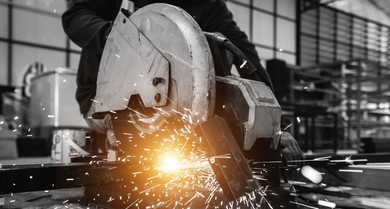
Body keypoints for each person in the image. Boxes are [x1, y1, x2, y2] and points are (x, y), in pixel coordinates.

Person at [62, 0, 303, 162]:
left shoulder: (205, 4)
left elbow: (245, 56)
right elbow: (75, 17)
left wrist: (272, 127)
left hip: (175, 105)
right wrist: (120, 39)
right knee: (132, 157)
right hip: (103, 97)